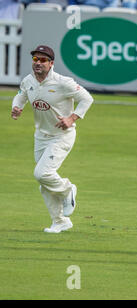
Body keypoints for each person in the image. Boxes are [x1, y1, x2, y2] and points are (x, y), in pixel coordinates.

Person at [11, 45, 94, 233]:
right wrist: (17, 107)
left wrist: (71, 118)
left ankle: (67, 190)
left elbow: (87, 98)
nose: (38, 63)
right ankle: (60, 221)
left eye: (42, 60)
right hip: (40, 136)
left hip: (62, 136)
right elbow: (20, 96)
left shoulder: (63, 82)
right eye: (35, 60)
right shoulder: (28, 81)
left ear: (51, 63)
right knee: (44, 184)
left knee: (42, 174)